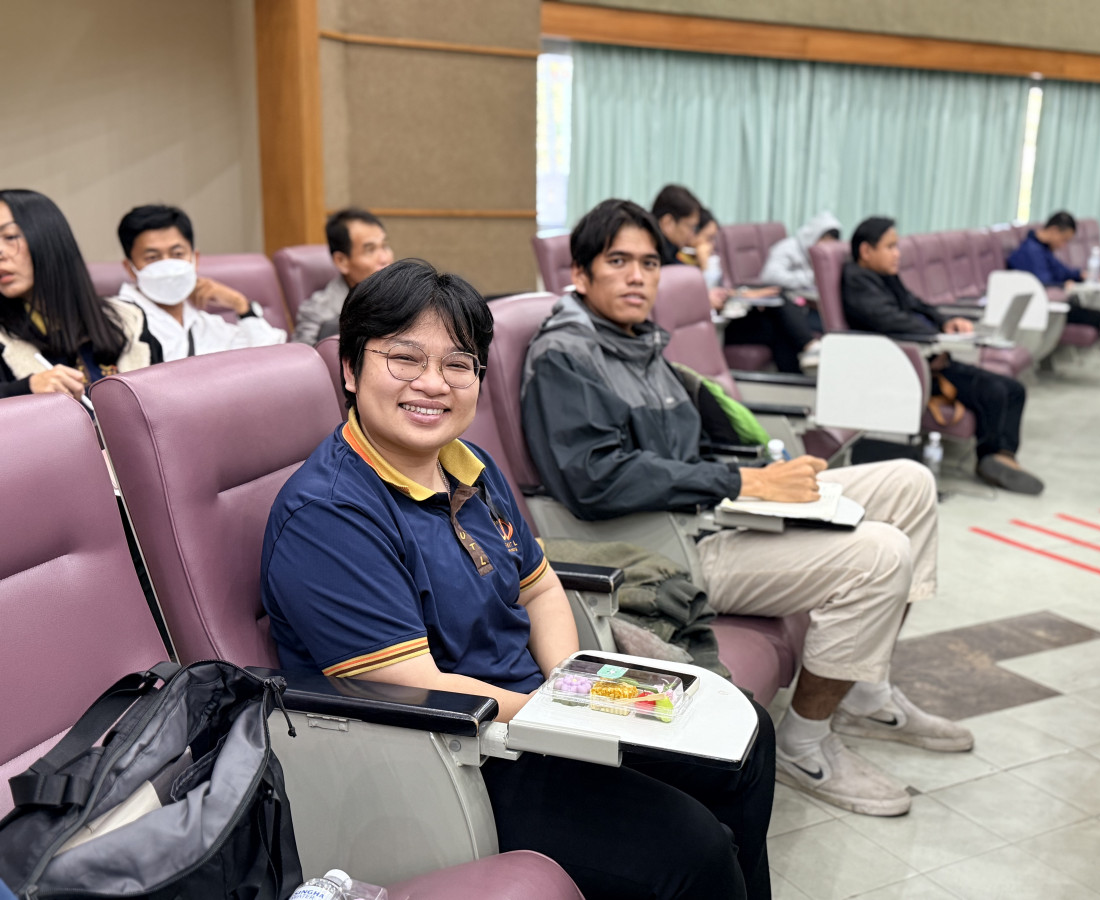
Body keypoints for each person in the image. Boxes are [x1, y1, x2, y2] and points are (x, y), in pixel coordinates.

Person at [261, 258, 776, 899]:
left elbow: (539, 586)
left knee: (747, 738)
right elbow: (410, 687)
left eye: (458, 365)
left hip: (533, 716)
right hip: (449, 756)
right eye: (404, 359)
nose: (433, 384)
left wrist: (572, 688)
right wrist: (564, 718)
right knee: (690, 850)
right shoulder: (330, 514)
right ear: (349, 368)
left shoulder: (467, 465)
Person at [522, 199, 974, 819]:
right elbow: (595, 479)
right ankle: (805, 745)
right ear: (580, 273)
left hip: (711, 514)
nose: (637, 277)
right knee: (881, 553)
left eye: (649, 264)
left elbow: (684, 450)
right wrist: (742, 480)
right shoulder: (566, 356)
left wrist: (764, 472)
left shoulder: (638, 342)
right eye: (618, 261)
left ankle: (866, 691)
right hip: (666, 551)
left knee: (909, 482)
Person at [842, 216, 1044, 495]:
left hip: (932, 354)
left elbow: (917, 304)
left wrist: (945, 323)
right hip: (910, 365)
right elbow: (888, 320)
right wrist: (937, 339)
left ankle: (1004, 455)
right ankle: (989, 457)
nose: (897, 253)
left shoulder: (886, 277)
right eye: (890, 247)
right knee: (995, 391)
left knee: (1015, 389)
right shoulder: (857, 281)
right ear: (866, 251)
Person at [0, 189, 159, 400]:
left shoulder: (127, 319)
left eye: (10, 236)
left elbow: (163, 400)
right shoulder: (4, 338)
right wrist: (26, 388)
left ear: (50, 240)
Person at [653, 186, 816, 372]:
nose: (691, 234)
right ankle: (805, 358)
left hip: (710, 318)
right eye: (691, 227)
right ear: (668, 223)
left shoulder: (675, 253)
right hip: (690, 330)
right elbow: (667, 300)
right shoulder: (657, 256)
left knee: (777, 313)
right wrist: (704, 291)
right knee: (777, 323)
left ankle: (796, 374)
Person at [115, 205, 285, 361]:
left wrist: (241, 305)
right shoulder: (116, 321)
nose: (168, 265)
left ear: (194, 258)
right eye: (152, 257)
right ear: (129, 268)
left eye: (178, 254)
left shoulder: (204, 323)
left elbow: (272, 357)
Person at [291, 208, 395, 345]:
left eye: (385, 246)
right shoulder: (318, 314)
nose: (384, 259)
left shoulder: (403, 295)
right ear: (341, 261)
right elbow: (302, 356)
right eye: (370, 250)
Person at [1006, 211, 1100, 330]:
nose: (1063, 245)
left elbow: (1062, 271)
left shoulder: (1043, 249)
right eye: (1064, 239)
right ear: (1053, 230)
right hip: (1041, 306)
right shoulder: (1030, 251)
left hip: (1052, 301)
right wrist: (1063, 285)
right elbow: (1041, 282)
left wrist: (1080, 275)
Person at [759, 211, 842, 298]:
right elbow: (769, 276)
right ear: (813, 235)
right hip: (786, 297)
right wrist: (812, 278)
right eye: (824, 240)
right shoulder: (787, 247)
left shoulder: (826, 254)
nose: (825, 246)